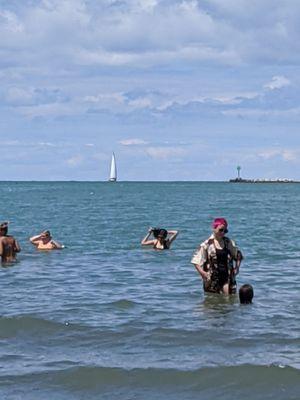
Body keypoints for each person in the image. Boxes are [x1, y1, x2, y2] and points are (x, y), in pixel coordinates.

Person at [191, 218, 243, 295]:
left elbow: (238, 255)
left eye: (225, 231)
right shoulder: (207, 244)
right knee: (212, 303)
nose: (223, 233)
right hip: (212, 279)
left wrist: (237, 268)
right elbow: (195, 260)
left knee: (228, 301)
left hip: (227, 277)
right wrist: (202, 273)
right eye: (221, 230)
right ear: (214, 229)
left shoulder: (228, 242)